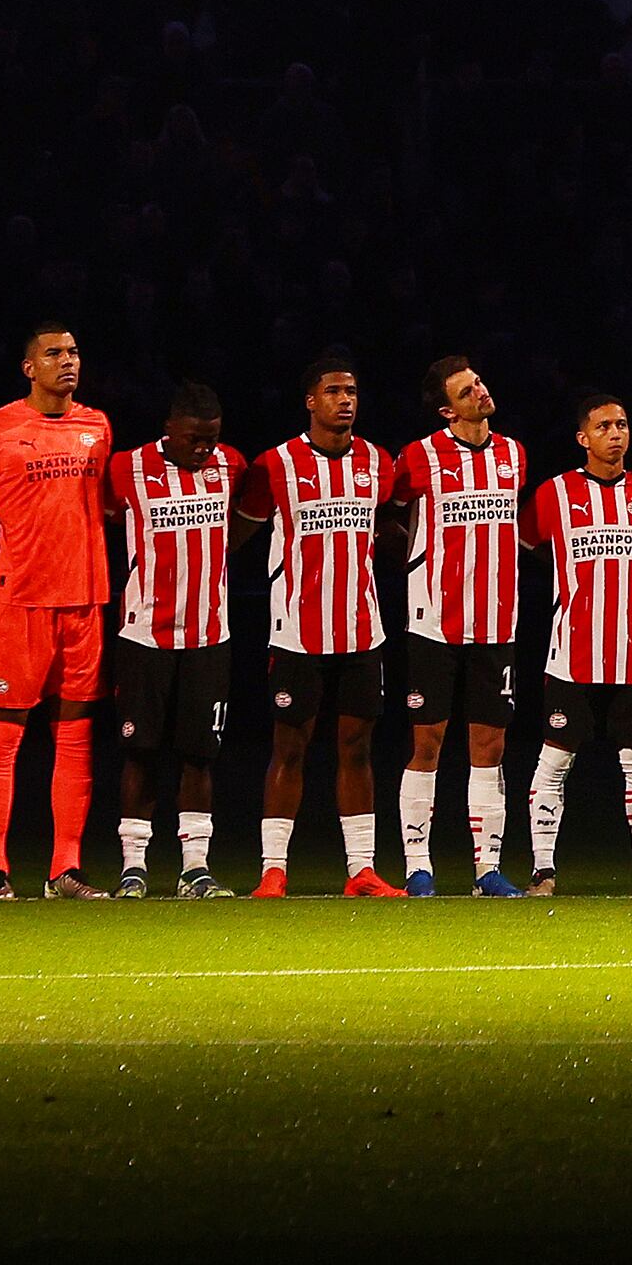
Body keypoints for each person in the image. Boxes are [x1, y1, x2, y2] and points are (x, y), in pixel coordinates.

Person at [0, 325, 118, 900]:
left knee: (75, 736)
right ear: (29, 367)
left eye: (73, 351)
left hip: (84, 599)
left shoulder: (97, 425)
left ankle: (64, 869)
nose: (68, 361)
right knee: (4, 738)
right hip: (18, 600)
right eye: (54, 354)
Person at [252, 356, 399, 899]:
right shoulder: (277, 464)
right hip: (297, 631)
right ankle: (274, 869)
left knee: (356, 747)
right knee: (290, 747)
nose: (346, 400)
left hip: (362, 631)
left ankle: (361, 868)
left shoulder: (378, 462)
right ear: (310, 401)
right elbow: (239, 527)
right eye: (334, 391)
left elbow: (388, 521)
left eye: (353, 391)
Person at [523, 394, 632, 897]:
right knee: (554, 761)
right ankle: (543, 871)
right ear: (582, 439)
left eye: (623, 424)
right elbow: (522, 547)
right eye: (604, 426)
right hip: (572, 654)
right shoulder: (554, 495)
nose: (616, 433)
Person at [387, 355, 528, 898]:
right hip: (434, 623)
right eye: (468, 391)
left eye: (480, 383)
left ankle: (487, 869)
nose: (481, 393)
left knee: (489, 746)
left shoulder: (514, 454)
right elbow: (391, 513)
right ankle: (418, 865)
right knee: (429, 744)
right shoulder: (420, 456)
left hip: (498, 622)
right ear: (447, 409)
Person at [109, 382, 240, 898]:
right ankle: (134, 866)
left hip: (210, 635)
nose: (204, 450)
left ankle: (195, 866)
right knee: (139, 753)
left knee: (199, 755)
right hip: (144, 636)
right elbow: (96, 513)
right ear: (169, 429)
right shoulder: (128, 467)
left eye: (211, 439)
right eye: (194, 440)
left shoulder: (230, 465)